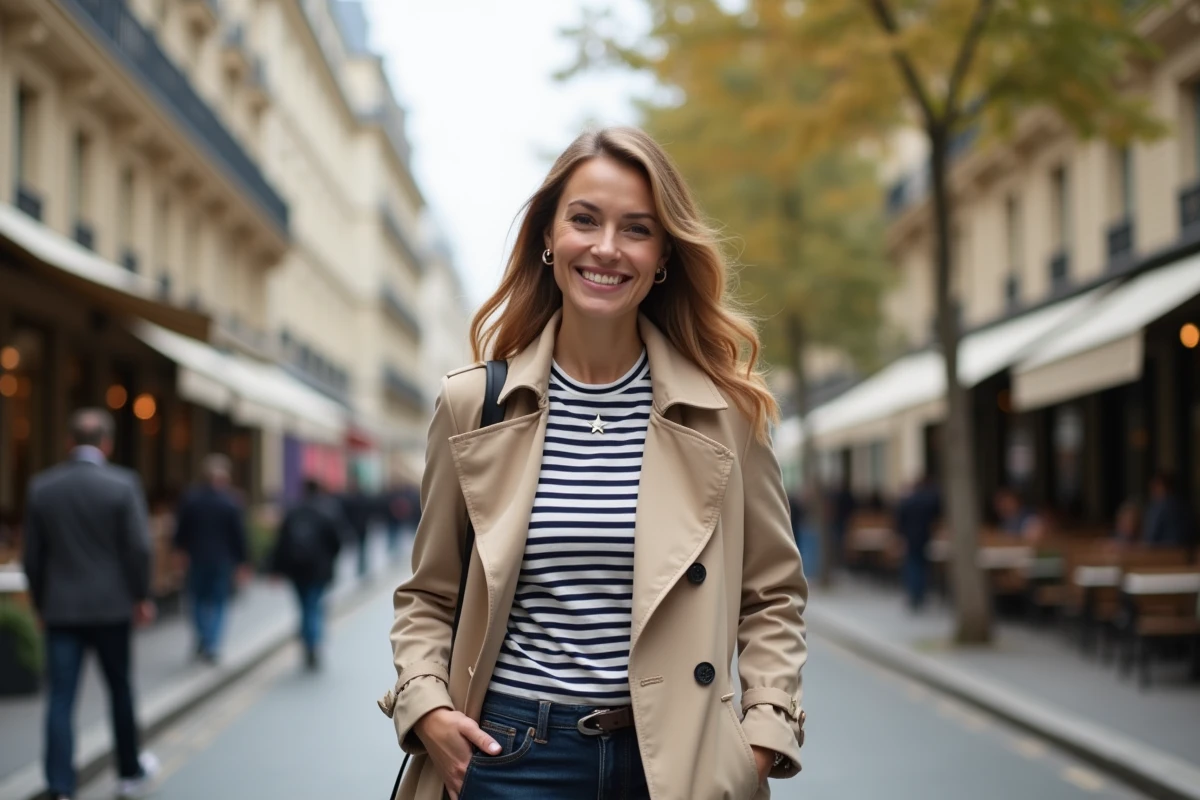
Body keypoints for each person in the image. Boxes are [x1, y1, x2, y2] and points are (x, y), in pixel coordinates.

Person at [379, 128, 808, 800]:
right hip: (509, 757)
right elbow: (430, 595)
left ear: (662, 254)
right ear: (549, 236)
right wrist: (427, 707)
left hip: (677, 766)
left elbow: (772, 597)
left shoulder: (725, 412)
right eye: (585, 220)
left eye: (636, 229)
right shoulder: (475, 404)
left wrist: (758, 741)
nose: (607, 248)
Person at [22, 409, 158, 800]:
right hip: (113, 607)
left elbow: (33, 557)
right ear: (107, 443)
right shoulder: (123, 484)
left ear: (69, 442)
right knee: (120, 690)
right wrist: (142, 596)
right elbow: (139, 548)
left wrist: (39, 603)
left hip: (61, 608)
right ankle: (129, 773)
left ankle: (59, 786)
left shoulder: (43, 487)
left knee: (61, 698)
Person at [173, 454, 250, 663]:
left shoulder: (191, 499)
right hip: (222, 560)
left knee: (197, 600)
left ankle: (204, 637)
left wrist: (179, 553)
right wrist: (242, 562)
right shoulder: (231, 502)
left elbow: (181, 531)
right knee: (217, 602)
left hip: (197, 557)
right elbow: (239, 535)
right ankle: (211, 643)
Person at [270, 478, 344, 669]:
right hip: (319, 570)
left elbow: (281, 543)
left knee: (304, 606)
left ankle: (307, 638)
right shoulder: (327, 511)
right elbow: (336, 542)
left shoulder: (293, 511)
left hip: (297, 570)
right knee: (314, 605)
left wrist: (276, 569)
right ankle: (312, 642)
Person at [894, 473, 941, 611]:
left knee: (912, 565)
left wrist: (900, 535)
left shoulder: (908, 500)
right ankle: (920, 594)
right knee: (922, 565)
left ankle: (914, 595)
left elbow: (899, 519)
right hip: (925, 537)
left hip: (910, 537)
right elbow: (936, 517)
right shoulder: (930, 501)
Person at [1142, 473, 1192, 547]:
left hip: (1164, 553)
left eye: (1155, 487)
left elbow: (1150, 538)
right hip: (1185, 552)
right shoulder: (1185, 505)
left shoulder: (1162, 507)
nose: (1152, 492)